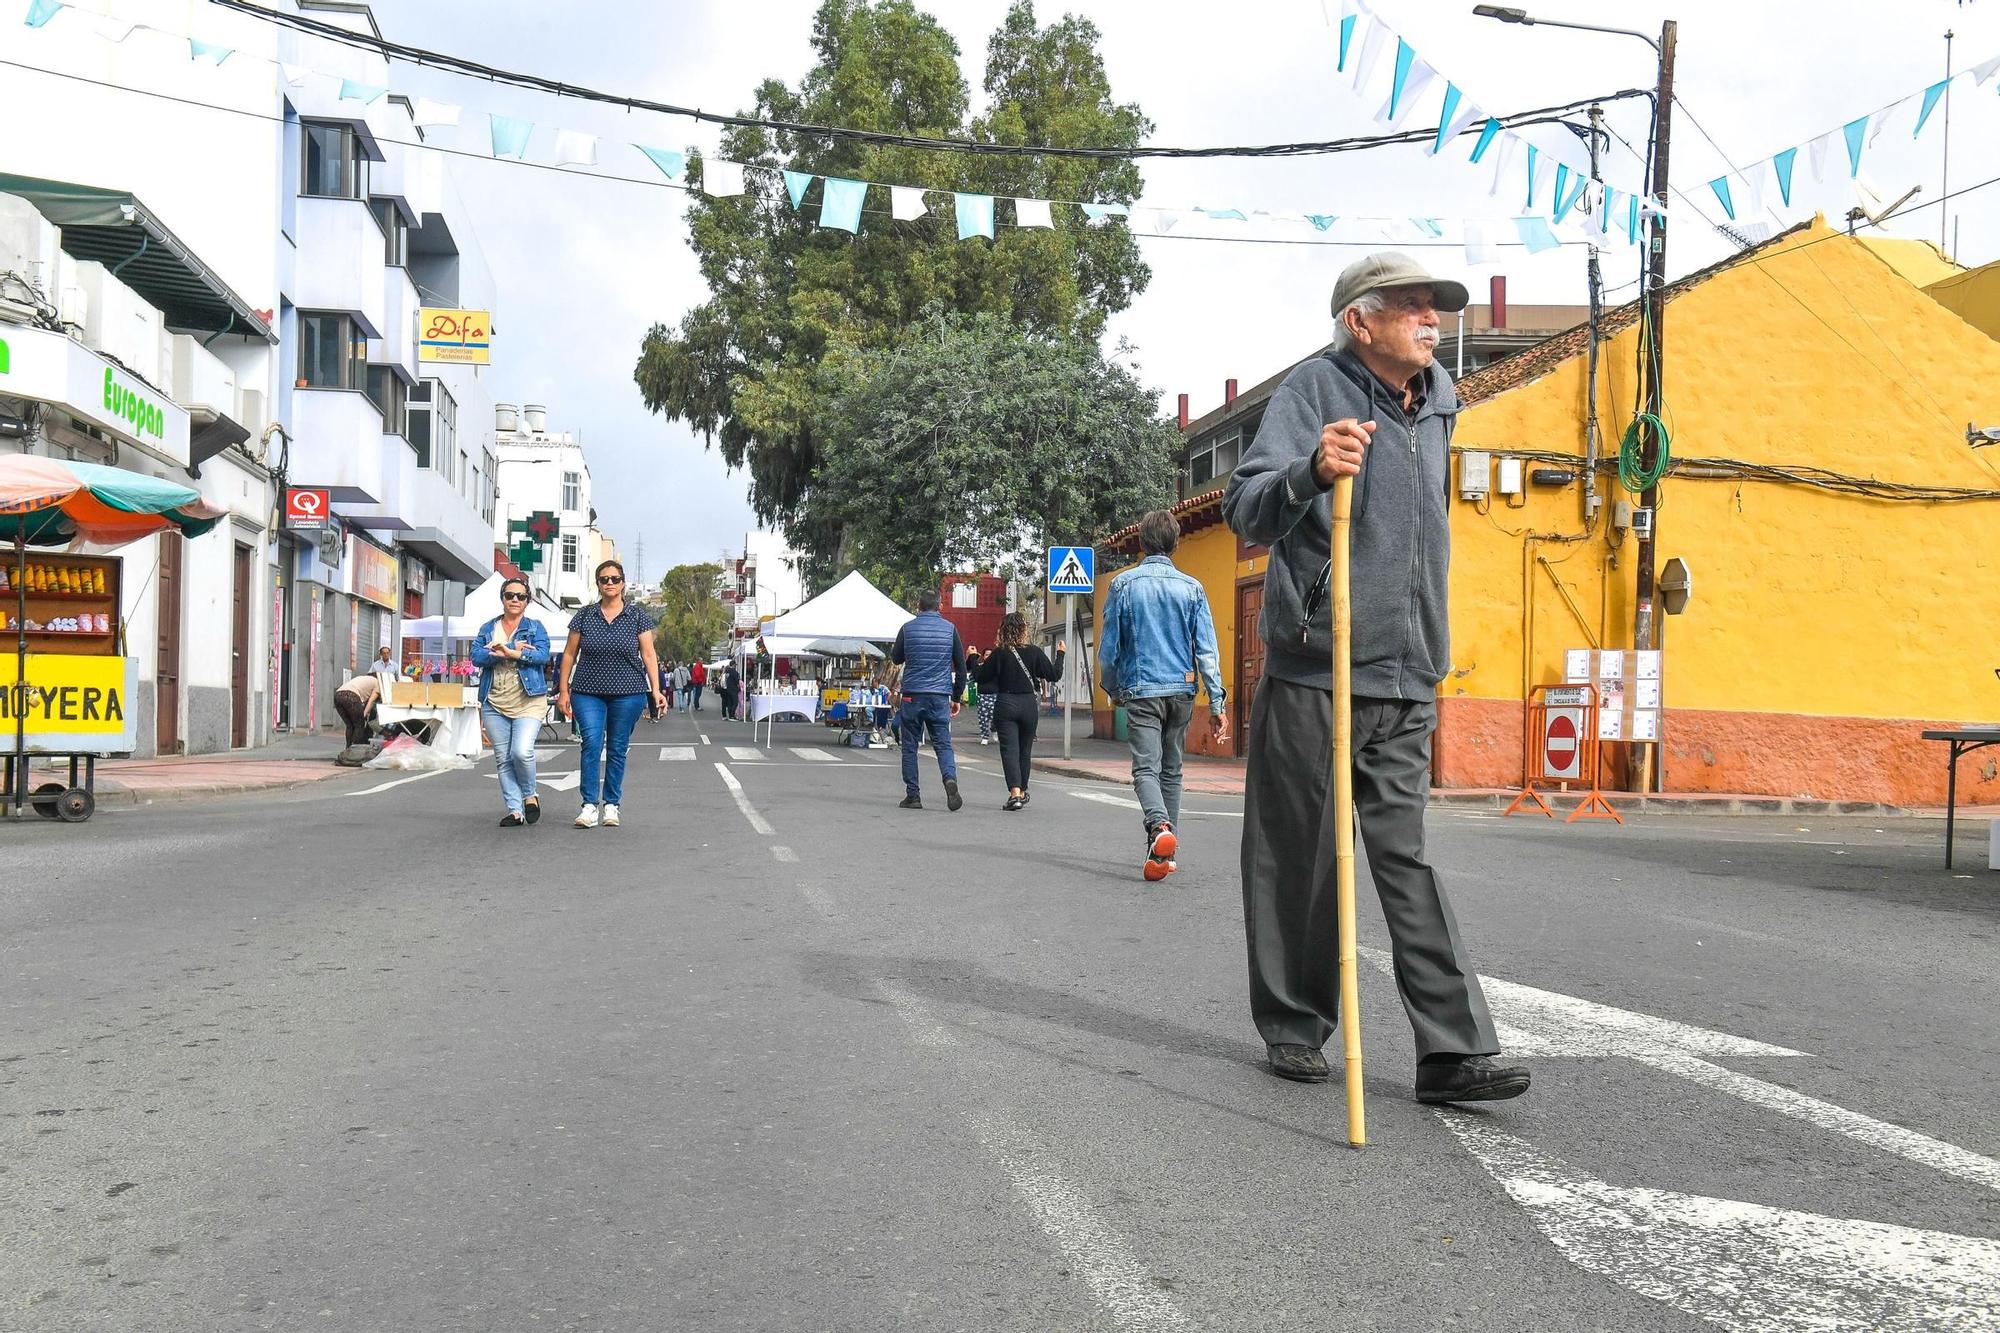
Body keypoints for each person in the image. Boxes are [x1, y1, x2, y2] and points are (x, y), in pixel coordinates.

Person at [1221, 252, 1527, 1103]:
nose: (1434, 320)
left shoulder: (1441, 401)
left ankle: (1451, 1050)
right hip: (1319, 666)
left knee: (1406, 856)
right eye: (1414, 307)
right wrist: (1309, 471)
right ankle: (1292, 1021)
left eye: (1437, 308)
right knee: (1301, 856)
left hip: (1406, 668)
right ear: (1362, 320)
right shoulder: (1313, 391)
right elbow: (1246, 509)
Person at [1097, 509, 1229, 881]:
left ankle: (1158, 828)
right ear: (1174, 544)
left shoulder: (1123, 586)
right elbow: (1207, 650)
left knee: (1145, 768)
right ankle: (1164, 857)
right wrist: (1217, 703)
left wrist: (1113, 687)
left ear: (1142, 543)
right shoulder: (1193, 588)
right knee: (1172, 770)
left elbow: (1108, 650)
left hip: (1142, 690)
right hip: (1183, 692)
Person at [557, 559, 666, 829]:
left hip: (628, 691)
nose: (609, 583)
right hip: (587, 690)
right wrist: (563, 690)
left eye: (614, 579)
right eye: (604, 579)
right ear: (598, 584)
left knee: (617, 748)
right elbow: (569, 654)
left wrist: (656, 690)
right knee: (591, 743)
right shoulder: (584, 616)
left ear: (623, 584)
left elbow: (648, 654)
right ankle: (589, 805)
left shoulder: (637, 616)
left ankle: (612, 805)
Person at [472, 576, 552, 827]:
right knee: (503, 758)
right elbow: (476, 656)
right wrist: (507, 647)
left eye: (521, 596)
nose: (515, 600)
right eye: (510, 595)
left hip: (529, 700)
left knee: (521, 751)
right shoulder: (488, 628)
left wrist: (511, 653)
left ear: (527, 601)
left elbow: (542, 655)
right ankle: (515, 810)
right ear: (502, 598)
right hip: (494, 702)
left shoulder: (536, 627)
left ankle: (530, 795)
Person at [975, 613, 1064, 811]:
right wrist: (1061, 654)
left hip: (1006, 703)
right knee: (1025, 750)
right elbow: (1054, 675)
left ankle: (1015, 794)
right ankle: (1022, 792)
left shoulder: (999, 653)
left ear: (1004, 630)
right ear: (1023, 630)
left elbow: (980, 677)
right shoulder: (1034, 652)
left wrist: (973, 658)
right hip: (1028, 705)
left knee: (1009, 751)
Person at [889, 589, 966, 810]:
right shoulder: (950, 629)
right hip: (940, 696)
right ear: (939, 606)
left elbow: (896, 658)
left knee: (910, 746)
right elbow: (961, 668)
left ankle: (913, 795)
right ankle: (949, 779)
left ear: (918, 605)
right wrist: (957, 697)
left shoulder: (907, 628)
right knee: (943, 744)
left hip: (913, 695)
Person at [332, 672, 380, 748]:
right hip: (351, 696)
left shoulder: (364, 678)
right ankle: (355, 750)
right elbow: (371, 701)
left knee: (350, 725)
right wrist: (363, 715)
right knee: (359, 725)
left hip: (338, 695)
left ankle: (348, 749)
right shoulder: (378, 683)